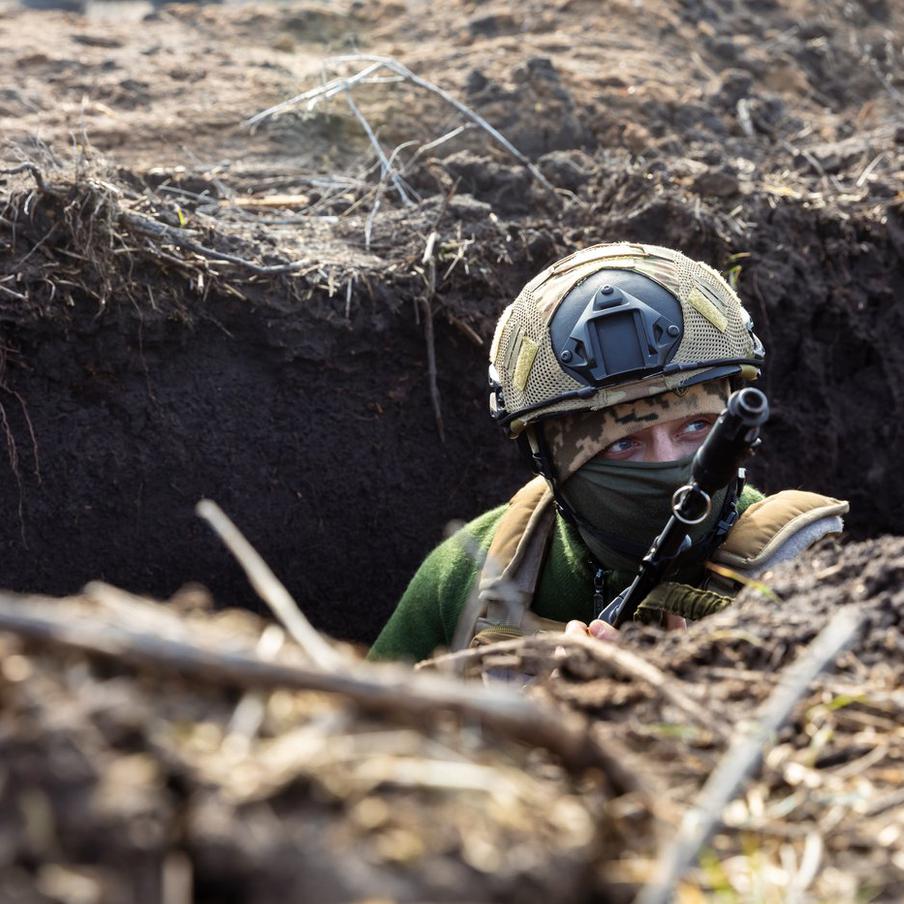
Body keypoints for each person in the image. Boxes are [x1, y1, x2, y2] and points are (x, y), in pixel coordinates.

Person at [369, 242, 848, 662]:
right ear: (551, 461)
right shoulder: (469, 574)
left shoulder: (799, 570)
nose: (668, 466)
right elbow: (353, 725)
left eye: (695, 427)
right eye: (623, 443)